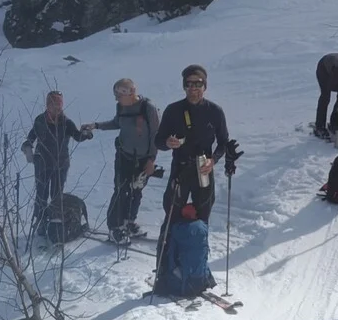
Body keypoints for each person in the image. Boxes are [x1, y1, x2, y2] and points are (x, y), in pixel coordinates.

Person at [155, 65, 231, 239]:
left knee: (202, 218)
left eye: (198, 84)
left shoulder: (215, 111)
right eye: (189, 84)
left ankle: (197, 261)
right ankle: (166, 261)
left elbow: (223, 143)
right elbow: (158, 141)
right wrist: (167, 143)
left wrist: (213, 160)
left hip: (203, 169)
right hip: (180, 169)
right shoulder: (173, 110)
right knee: (172, 216)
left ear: (204, 86)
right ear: (184, 86)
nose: (193, 89)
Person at [83, 79, 160, 242]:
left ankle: (129, 222)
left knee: (136, 190)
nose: (116, 99)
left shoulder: (148, 108)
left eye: (118, 95)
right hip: (124, 156)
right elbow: (117, 123)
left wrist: (151, 160)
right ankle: (115, 227)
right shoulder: (121, 107)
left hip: (143, 158)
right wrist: (96, 126)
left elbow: (155, 136)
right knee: (121, 190)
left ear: (130, 93)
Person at [22, 91, 91, 236]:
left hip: (61, 163)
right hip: (42, 162)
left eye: (59, 104)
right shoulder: (40, 120)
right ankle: (40, 220)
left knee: (56, 194)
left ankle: (55, 220)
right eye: (54, 104)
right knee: (41, 193)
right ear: (47, 105)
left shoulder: (66, 122)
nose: (57, 108)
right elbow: (30, 137)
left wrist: (85, 134)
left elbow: (77, 136)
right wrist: (27, 147)